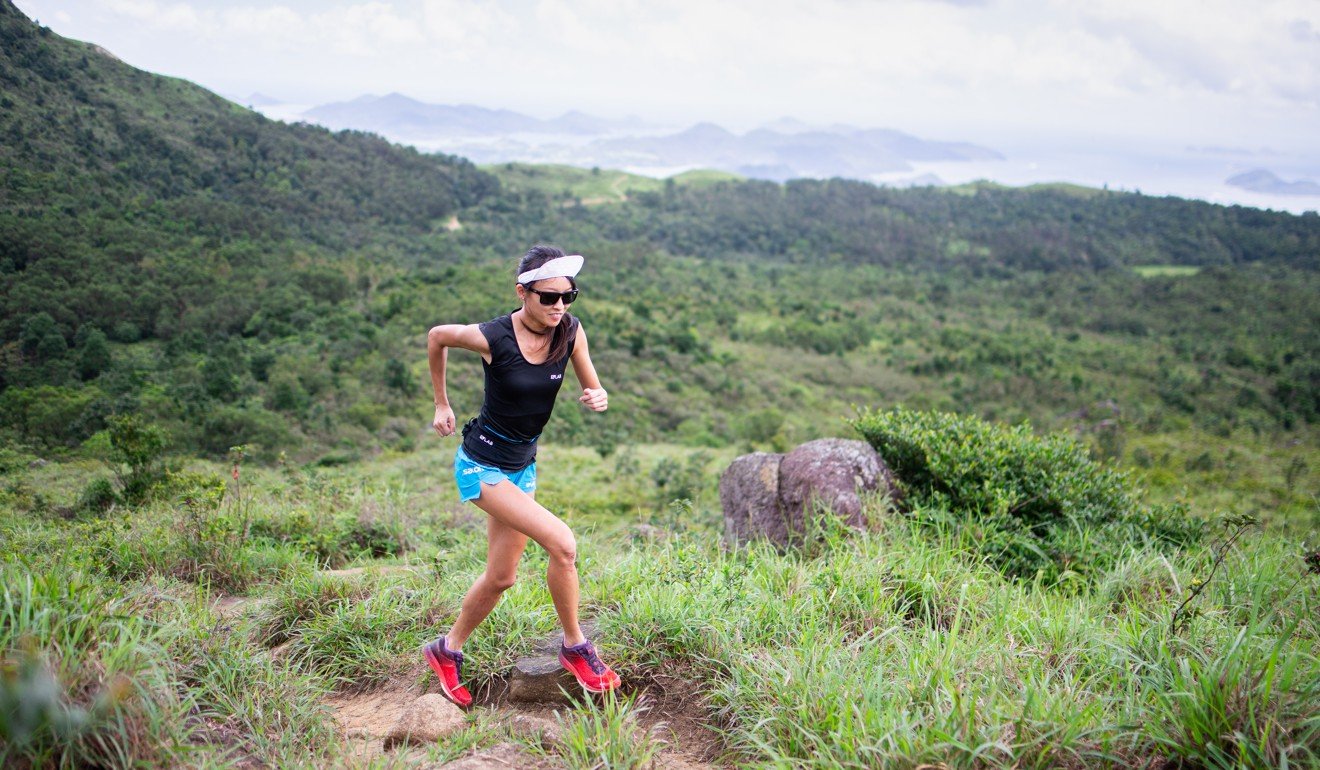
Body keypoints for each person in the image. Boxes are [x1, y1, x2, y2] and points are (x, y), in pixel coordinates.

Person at [422, 244, 621, 707]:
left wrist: (597, 396)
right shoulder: (493, 337)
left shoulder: (570, 333)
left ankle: (446, 650)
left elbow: (594, 385)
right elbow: (437, 336)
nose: (559, 307)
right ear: (523, 292)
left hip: (521, 467)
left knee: (502, 577)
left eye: (568, 297)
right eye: (548, 298)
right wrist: (441, 402)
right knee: (563, 543)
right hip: (481, 465)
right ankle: (575, 647)